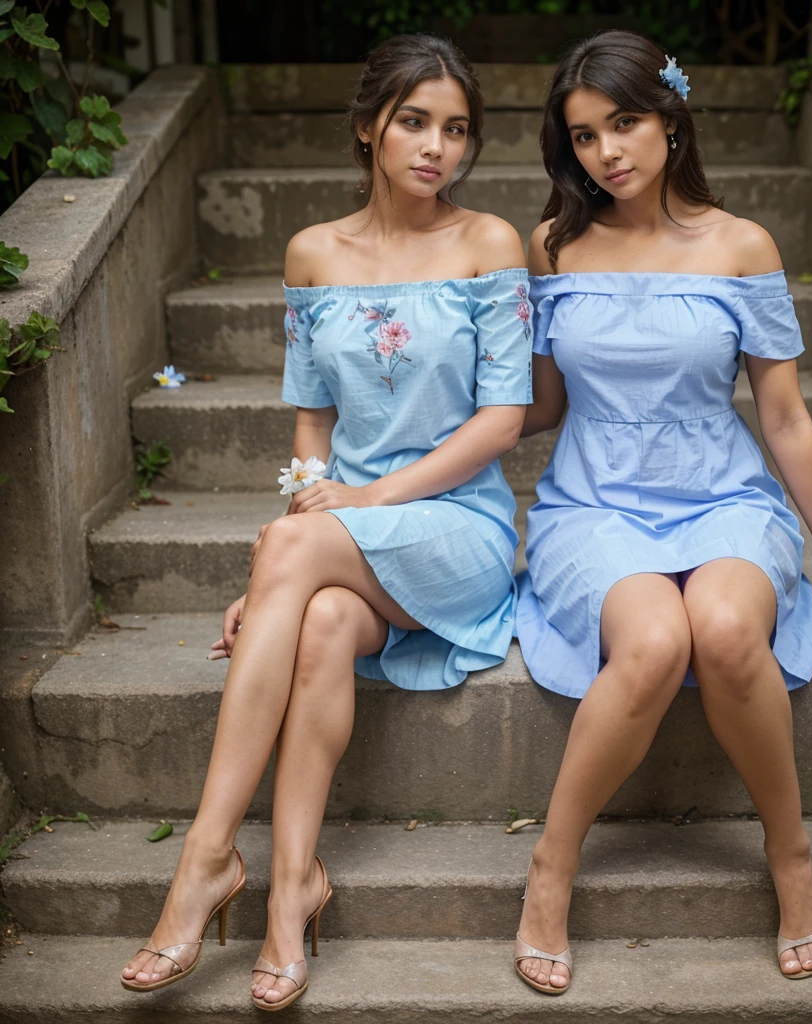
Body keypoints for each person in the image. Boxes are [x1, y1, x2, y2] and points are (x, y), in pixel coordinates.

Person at [119, 33, 532, 1011]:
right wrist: (287, 560)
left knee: (295, 563)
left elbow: (505, 418)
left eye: (457, 129)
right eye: (415, 122)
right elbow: (311, 421)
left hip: (458, 527)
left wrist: (356, 508)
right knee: (313, 623)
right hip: (343, 533)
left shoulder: (488, 244)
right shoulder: (313, 252)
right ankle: (293, 885)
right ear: (367, 127)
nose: (438, 147)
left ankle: (206, 859)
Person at [513, 29, 812, 995]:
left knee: (726, 628)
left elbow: (782, 415)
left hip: (724, 495)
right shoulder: (552, 245)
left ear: (670, 117)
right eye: (583, 137)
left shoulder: (742, 245)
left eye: (625, 122)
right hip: (593, 505)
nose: (608, 152)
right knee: (651, 640)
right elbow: (543, 406)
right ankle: (549, 870)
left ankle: (791, 858)